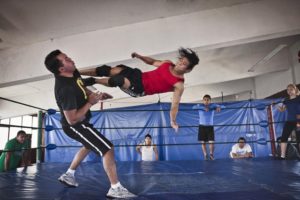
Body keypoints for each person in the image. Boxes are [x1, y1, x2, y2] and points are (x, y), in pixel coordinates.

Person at [44, 50, 136, 199]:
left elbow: (81, 87)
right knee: (107, 148)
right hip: (75, 125)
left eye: (68, 56)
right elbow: (72, 119)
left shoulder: (73, 73)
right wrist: (90, 102)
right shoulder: (63, 88)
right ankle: (115, 188)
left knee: (88, 145)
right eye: (66, 59)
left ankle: (69, 175)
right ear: (61, 69)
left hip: (81, 121)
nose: (71, 59)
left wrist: (95, 95)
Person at [79, 48, 199, 132]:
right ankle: (78, 71)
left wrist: (173, 120)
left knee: (119, 80)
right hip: (139, 76)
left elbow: (175, 104)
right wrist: (139, 56)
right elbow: (152, 61)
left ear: (188, 70)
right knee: (112, 70)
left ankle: (93, 81)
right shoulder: (167, 64)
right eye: (180, 60)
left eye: (183, 64)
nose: (179, 64)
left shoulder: (178, 84)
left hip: (139, 89)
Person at [192, 94, 222, 160]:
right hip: (202, 127)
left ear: (210, 101)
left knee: (211, 142)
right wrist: (203, 108)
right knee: (203, 142)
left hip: (210, 126)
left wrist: (218, 107)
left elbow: (222, 106)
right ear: (203, 101)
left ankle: (211, 154)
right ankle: (205, 155)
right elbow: (193, 107)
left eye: (208, 100)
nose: (206, 101)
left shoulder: (213, 105)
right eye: (205, 100)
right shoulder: (199, 106)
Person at [277, 84, 300, 159]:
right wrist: (278, 107)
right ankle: (282, 156)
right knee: (284, 137)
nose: (289, 91)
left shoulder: (299, 98)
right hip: (289, 121)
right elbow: (282, 109)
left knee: (298, 139)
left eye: (291, 89)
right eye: (288, 90)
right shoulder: (286, 100)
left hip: (298, 121)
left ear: (295, 90)